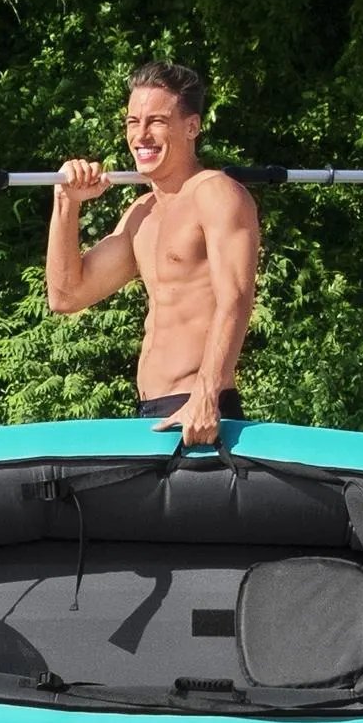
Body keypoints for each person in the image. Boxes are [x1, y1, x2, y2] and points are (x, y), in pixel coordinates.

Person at [45, 62, 261, 446]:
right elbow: (66, 296)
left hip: (201, 409)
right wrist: (67, 203)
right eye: (133, 122)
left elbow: (237, 298)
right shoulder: (141, 213)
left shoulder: (216, 193)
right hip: (150, 413)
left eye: (156, 121)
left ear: (191, 127)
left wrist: (206, 396)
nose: (141, 135)